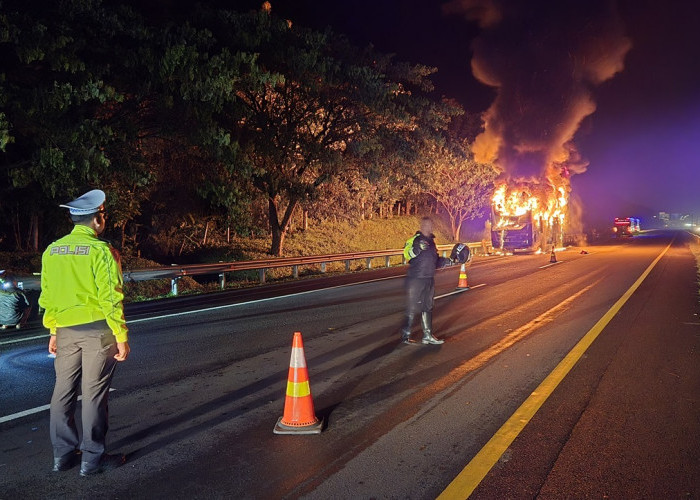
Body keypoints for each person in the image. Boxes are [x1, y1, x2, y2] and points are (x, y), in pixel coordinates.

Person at [39, 189, 130, 476]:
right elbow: (110, 298)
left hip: (66, 330)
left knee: (62, 393)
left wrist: (54, 330)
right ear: (97, 220)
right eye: (102, 215)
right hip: (97, 332)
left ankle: (62, 456)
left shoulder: (52, 250)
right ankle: (92, 459)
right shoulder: (102, 251)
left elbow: (48, 296)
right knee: (93, 396)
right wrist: (121, 335)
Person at [401, 217, 452, 345]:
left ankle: (427, 335)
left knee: (427, 307)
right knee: (412, 306)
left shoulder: (432, 243)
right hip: (416, 279)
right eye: (425, 225)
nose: (428, 227)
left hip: (429, 279)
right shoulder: (415, 239)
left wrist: (446, 261)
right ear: (421, 226)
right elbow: (407, 254)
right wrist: (416, 249)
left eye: (430, 225)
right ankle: (405, 336)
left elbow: (435, 261)